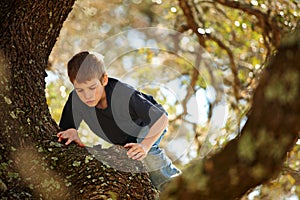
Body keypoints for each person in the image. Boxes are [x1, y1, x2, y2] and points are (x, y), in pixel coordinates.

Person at [56, 51, 181, 189]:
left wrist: (145, 146)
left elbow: (161, 119)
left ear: (104, 80)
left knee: (146, 153)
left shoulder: (123, 94)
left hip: (149, 123)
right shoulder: (76, 99)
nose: (87, 95)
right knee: (137, 165)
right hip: (126, 140)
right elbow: (68, 127)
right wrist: (72, 131)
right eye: (80, 90)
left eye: (92, 87)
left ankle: (175, 185)